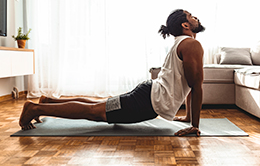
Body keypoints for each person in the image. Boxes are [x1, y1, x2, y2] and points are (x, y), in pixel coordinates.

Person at [19, 9, 205, 136]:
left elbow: (190, 84)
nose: (195, 17)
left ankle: (49, 101)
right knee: (95, 112)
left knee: (99, 105)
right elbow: (196, 86)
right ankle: (35, 108)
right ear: (185, 25)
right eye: (191, 16)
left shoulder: (182, 43)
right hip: (148, 102)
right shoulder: (191, 44)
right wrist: (194, 126)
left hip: (148, 95)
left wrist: (189, 118)